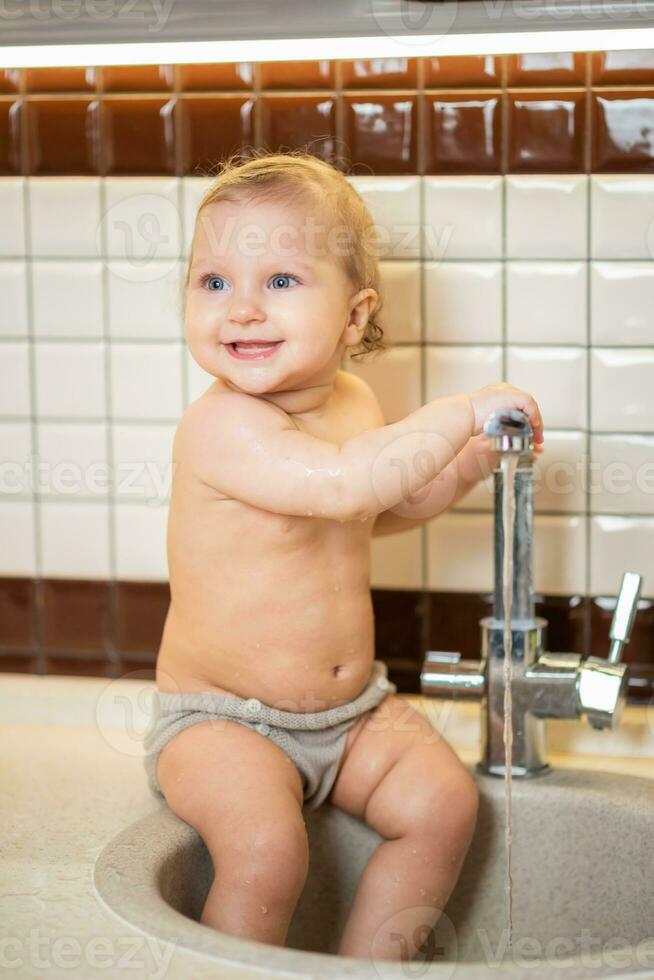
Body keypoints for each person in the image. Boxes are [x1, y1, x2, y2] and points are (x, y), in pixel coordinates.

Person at [142, 149, 545, 963]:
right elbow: (345, 486)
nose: (242, 310)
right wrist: (458, 410)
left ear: (355, 318)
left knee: (442, 804)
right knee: (267, 852)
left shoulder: (352, 402)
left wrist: (468, 457)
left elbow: (382, 505)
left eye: (280, 281)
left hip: (353, 712)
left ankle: (370, 966)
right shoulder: (224, 426)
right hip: (224, 720)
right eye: (213, 281)